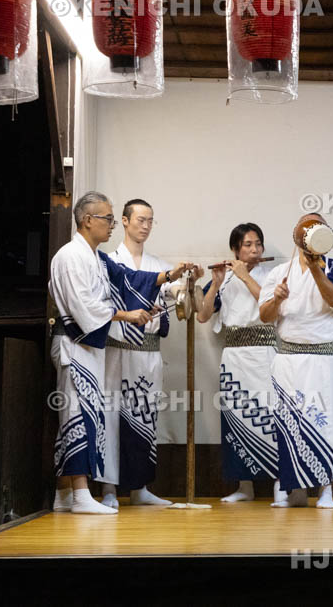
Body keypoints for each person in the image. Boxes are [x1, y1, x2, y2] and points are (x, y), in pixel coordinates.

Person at [49, 192, 191, 514]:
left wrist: (169, 275)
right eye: (108, 218)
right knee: (77, 417)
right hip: (76, 344)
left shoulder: (97, 258)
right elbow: (84, 308)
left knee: (80, 418)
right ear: (87, 220)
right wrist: (125, 315)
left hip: (91, 348)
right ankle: (82, 494)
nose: (111, 225)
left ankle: (64, 494)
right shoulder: (70, 256)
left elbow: (129, 280)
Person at [259, 213, 333, 509]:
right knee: (288, 424)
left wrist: (316, 270)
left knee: (324, 423)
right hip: (287, 358)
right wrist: (276, 298)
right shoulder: (280, 273)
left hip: (322, 359)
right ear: (297, 236)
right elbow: (264, 316)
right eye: (306, 228)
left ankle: (325, 489)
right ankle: (292, 490)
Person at [97, 199, 186, 509]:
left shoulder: (157, 264)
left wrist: (183, 285)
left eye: (151, 220)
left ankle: (140, 487)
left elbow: (172, 293)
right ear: (124, 221)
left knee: (145, 418)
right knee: (111, 416)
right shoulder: (109, 261)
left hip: (148, 355)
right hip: (118, 353)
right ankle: (109, 488)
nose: (146, 225)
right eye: (140, 219)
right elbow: (110, 304)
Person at [197, 223, 282, 504]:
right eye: (247, 245)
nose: (254, 249)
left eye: (258, 244)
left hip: (265, 354)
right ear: (235, 249)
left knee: (271, 416)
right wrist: (217, 283)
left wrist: (245, 276)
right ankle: (243, 487)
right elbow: (203, 316)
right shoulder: (226, 278)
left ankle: (281, 485)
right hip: (233, 356)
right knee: (236, 418)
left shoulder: (273, 275)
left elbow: (270, 305)